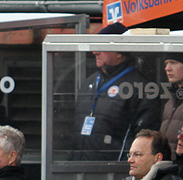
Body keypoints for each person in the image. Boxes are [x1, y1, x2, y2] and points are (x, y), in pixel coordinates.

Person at [69, 23, 160, 161]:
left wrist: (123, 166)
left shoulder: (140, 87)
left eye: (102, 47)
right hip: (76, 166)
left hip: (113, 168)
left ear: (119, 52)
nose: (95, 52)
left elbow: (143, 137)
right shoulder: (90, 82)